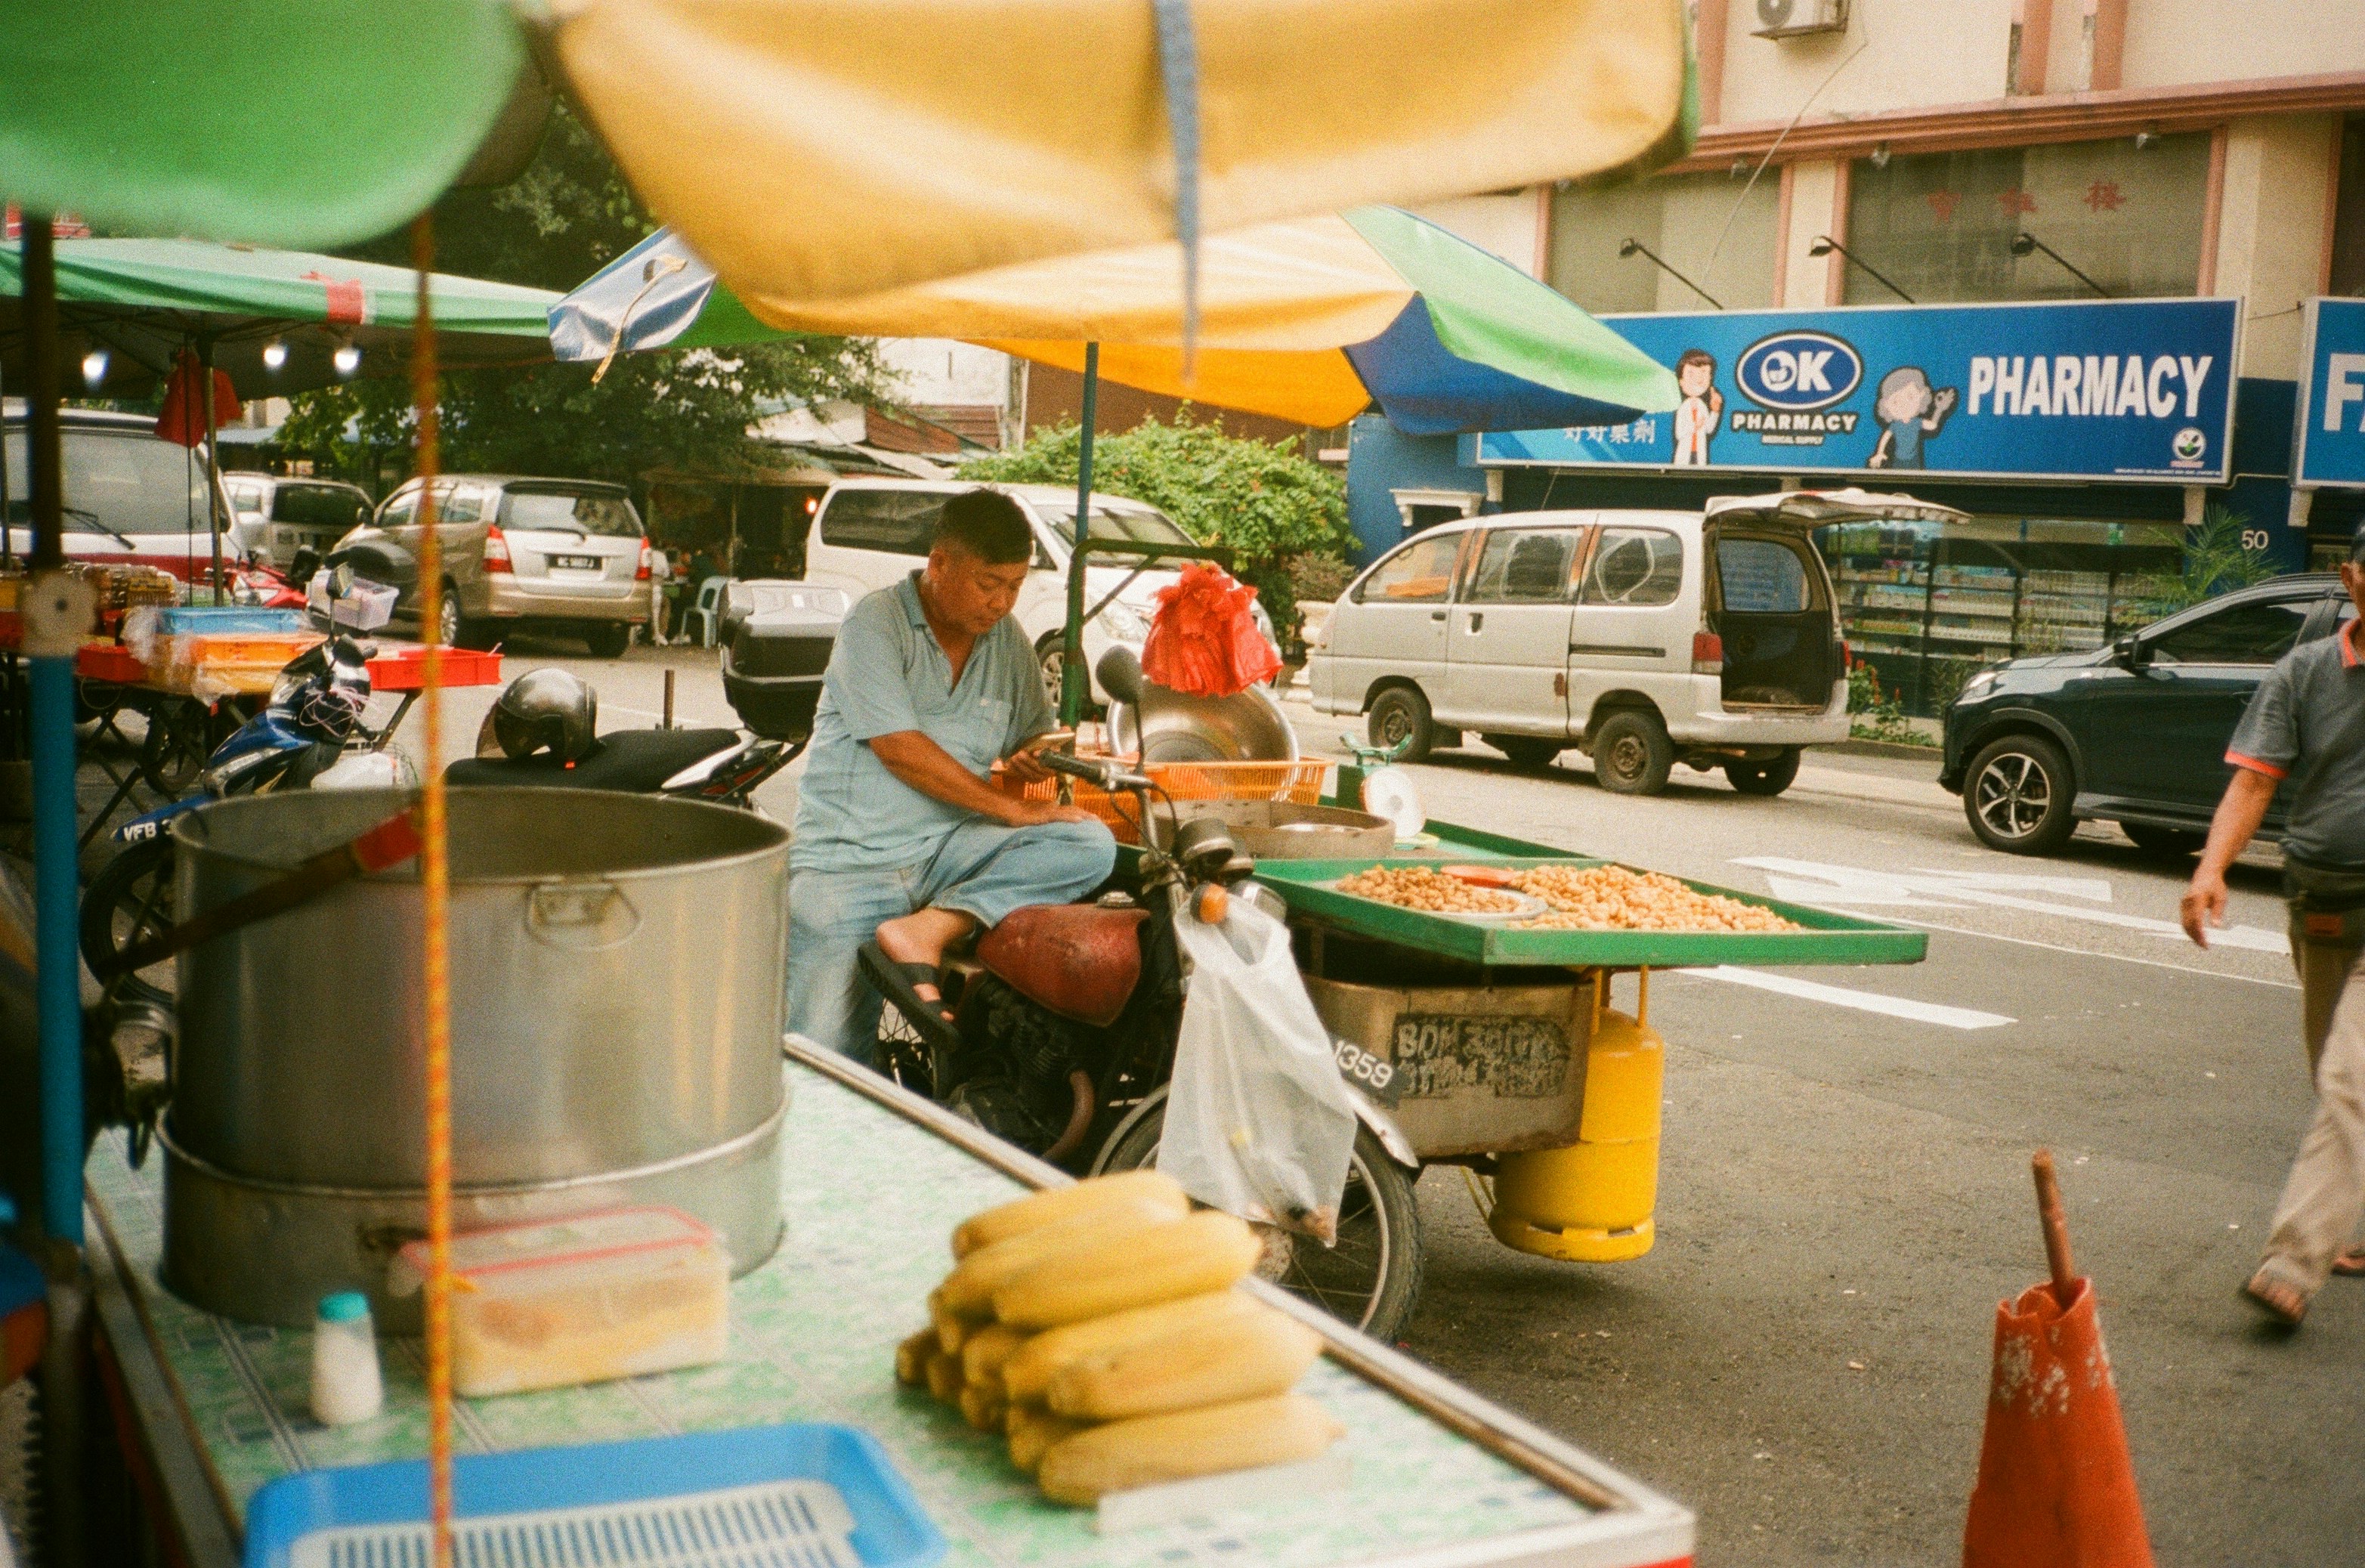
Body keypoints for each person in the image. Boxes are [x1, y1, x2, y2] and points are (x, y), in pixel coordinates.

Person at [785, 488, 1116, 1065]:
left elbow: (1030, 735)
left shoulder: (1008, 644)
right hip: (848, 865)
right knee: (824, 1064)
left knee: (1089, 841)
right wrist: (1011, 807)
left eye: (1014, 586)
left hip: (948, 855)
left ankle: (931, 929)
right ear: (939, 564)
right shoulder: (875, 622)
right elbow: (899, 748)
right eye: (989, 583)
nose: (1002, 602)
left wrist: (1036, 754)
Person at [2182, 527, 2365, 1326]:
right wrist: (2209, 867)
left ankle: (2292, 1260)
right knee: (2335, 1070)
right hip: (2321, 901)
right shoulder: (2305, 671)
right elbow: (2254, 783)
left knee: (2353, 1080)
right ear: (2350, 576)